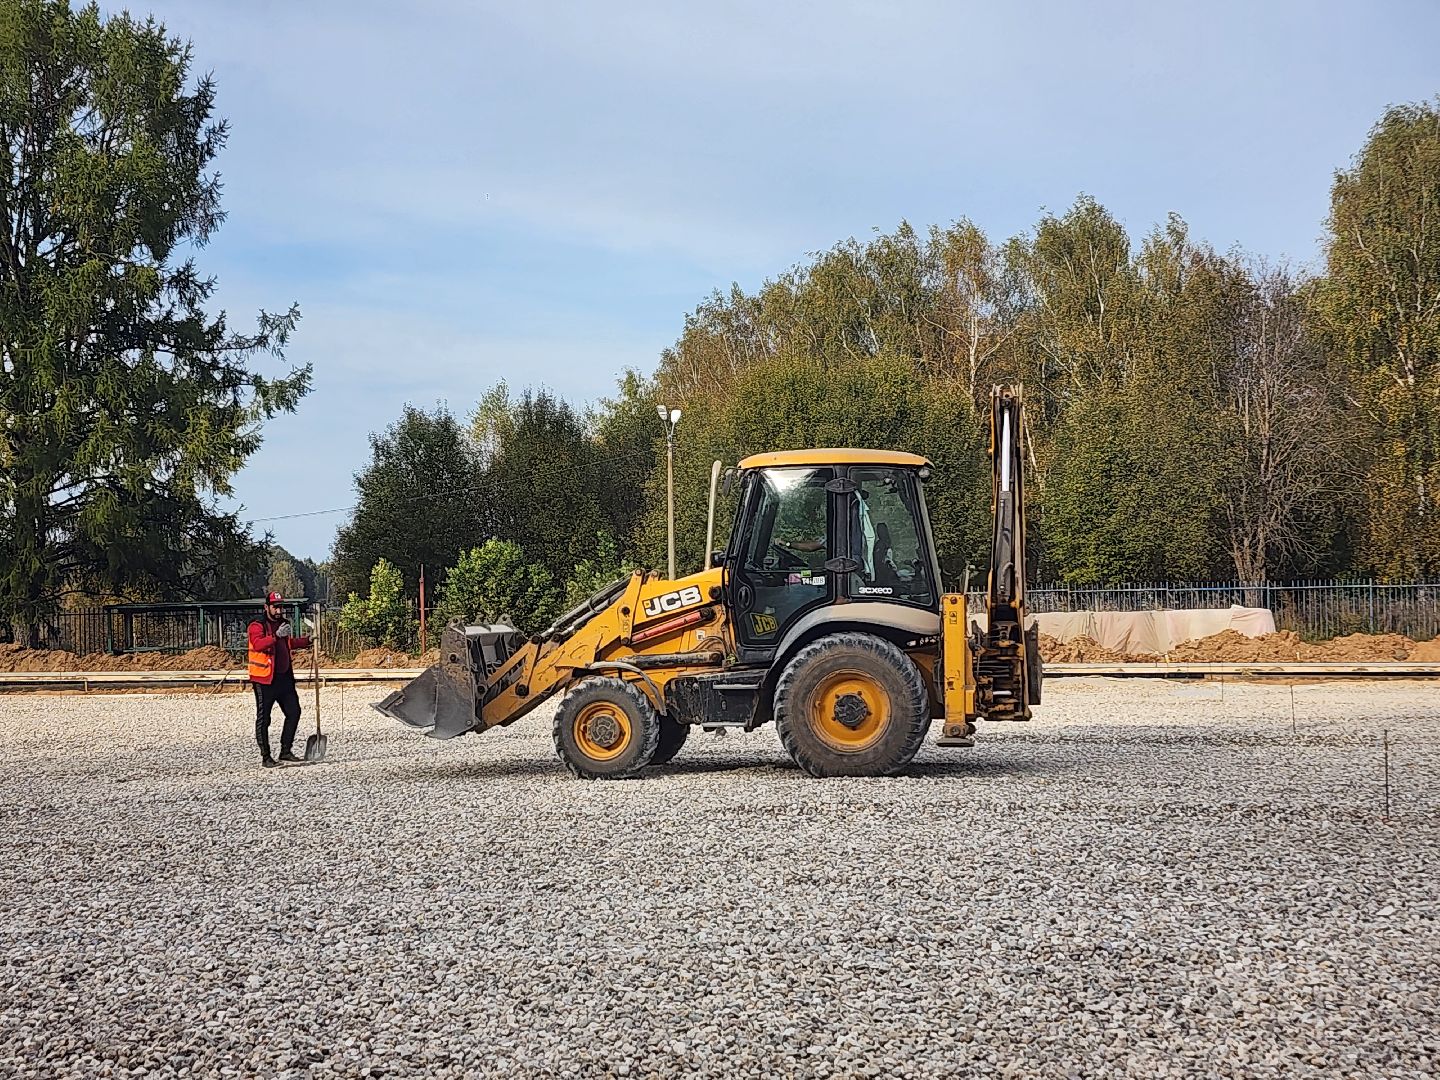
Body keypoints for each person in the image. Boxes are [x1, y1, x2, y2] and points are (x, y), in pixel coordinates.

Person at [248, 592, 313, 768]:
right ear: (266, 607)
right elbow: (259, 644)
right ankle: (266, 757)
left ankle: (285, 750)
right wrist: (276, 635)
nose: (278, 610)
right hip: (264, 680)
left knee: (294, 712)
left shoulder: (284, 624)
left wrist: (307, 641)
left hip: (284, 678)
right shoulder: (256, 625)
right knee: (264, 719)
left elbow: (287, 644)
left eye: (280, 607)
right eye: (275, 607)